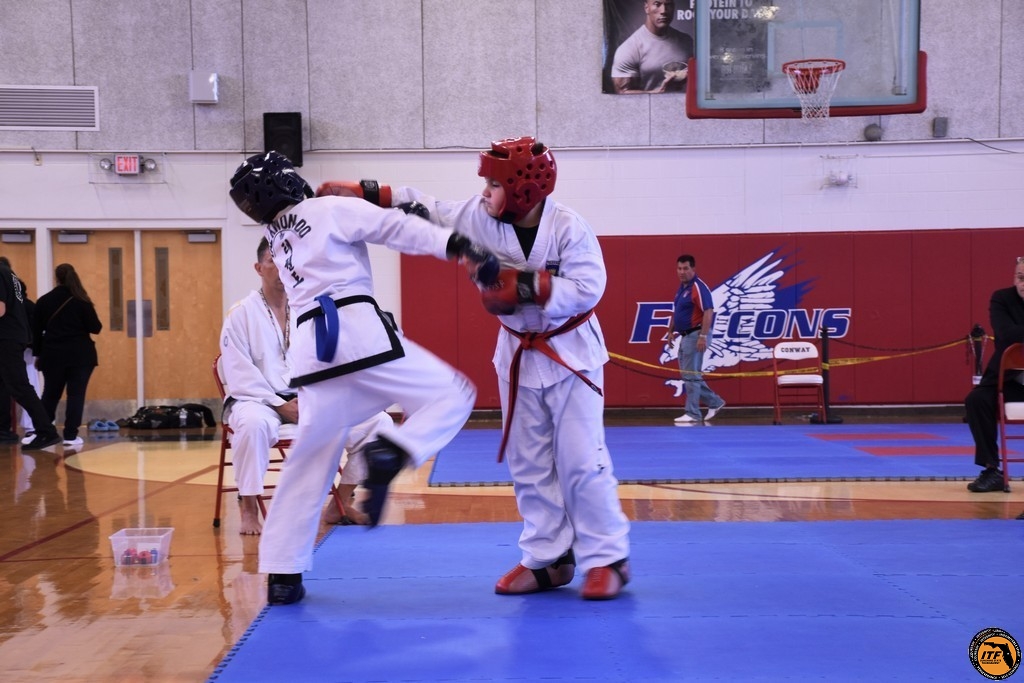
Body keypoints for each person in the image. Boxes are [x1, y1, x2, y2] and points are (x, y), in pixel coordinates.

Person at [320, 136, 633, 600]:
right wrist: (370, 192)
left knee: (582, 459)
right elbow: (427, 210)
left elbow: (590, 288)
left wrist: (526, 287)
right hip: (518, 355)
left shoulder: (569, 228)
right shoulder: (478, 216)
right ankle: (549, 558)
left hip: (571, 355)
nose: (485, 191)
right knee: (527, 462)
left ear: (524, 190)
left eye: (494, 184)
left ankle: (608, 557)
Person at [228, 151, 498, 605]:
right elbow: (395, 228)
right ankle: (394, 451)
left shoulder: (276, 238)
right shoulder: (326, 209)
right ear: (287, 182)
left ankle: (283, 573)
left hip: (313, 354)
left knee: (310, 458)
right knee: (451, 395)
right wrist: (461, 247)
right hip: (356, 332)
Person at [219, 236, 392, 534]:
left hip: (306, 401)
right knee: (252, 425)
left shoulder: (310, 309)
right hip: (258, 401)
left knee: (379, 424)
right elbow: (238, 373)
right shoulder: (241, 314)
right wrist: (280, 405)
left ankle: (339, 504)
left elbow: (328, 362)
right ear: (259, 268)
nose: (282, 267)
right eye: (273, 261)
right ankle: (248, 507)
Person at [964, 257, 1024, 494]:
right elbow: (1006, 335)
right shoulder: (1002, 298)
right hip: (1007, 379)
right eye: (1020, 277)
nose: (1023, 283)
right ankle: (991, 470)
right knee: (976, 400)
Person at [32, 264, 103, 448]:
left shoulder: (44, 301)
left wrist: (38, 354)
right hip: (80, 355)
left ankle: (44, 433)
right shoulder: (81, 300)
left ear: (56, 278)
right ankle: (71, 436)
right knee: (76, 395)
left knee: (50, 395)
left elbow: (36, 332)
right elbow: (96, 327)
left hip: (52, 355)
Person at [0, 258, 61, 450]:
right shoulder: (11, 276)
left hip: (6, 338)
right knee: (8, 385)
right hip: (13, 336)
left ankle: (46, 431)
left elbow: (0, 309)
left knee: (19, 386)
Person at [669, 254, 726, 425]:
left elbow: (708, 311)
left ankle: (693, 413)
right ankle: (714, 402)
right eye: (679, 268)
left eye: (685, 268)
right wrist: (670, 331)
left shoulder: (698, 287)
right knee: (688, 375)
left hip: (696, 334)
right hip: (686, 335)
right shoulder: (682, 288)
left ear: (693, 269)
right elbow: (678, 312)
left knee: (691, 375)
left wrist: (703, 336)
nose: (682, 272)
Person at [610, 0, 694, 94]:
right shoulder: (629, 48)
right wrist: (657, 93)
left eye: (668, 5)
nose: (664, 11)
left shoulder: (686, 40)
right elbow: (622, 92)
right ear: (647, 7)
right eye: (657, 4)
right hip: (651, 103)